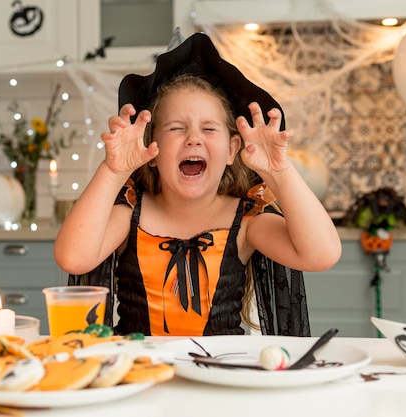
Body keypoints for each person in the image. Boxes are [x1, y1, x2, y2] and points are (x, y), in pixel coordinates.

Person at [54, 32, 341, 337]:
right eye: (176, 127)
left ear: (232, 150)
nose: (193, 137)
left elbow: (321, 255)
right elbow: (73, 258)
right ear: (151, 150)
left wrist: (280, 172)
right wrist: (113, 170)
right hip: (142, 373)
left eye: (208, 128)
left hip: (221, 373)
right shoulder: (131, 213)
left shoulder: (246, 222)